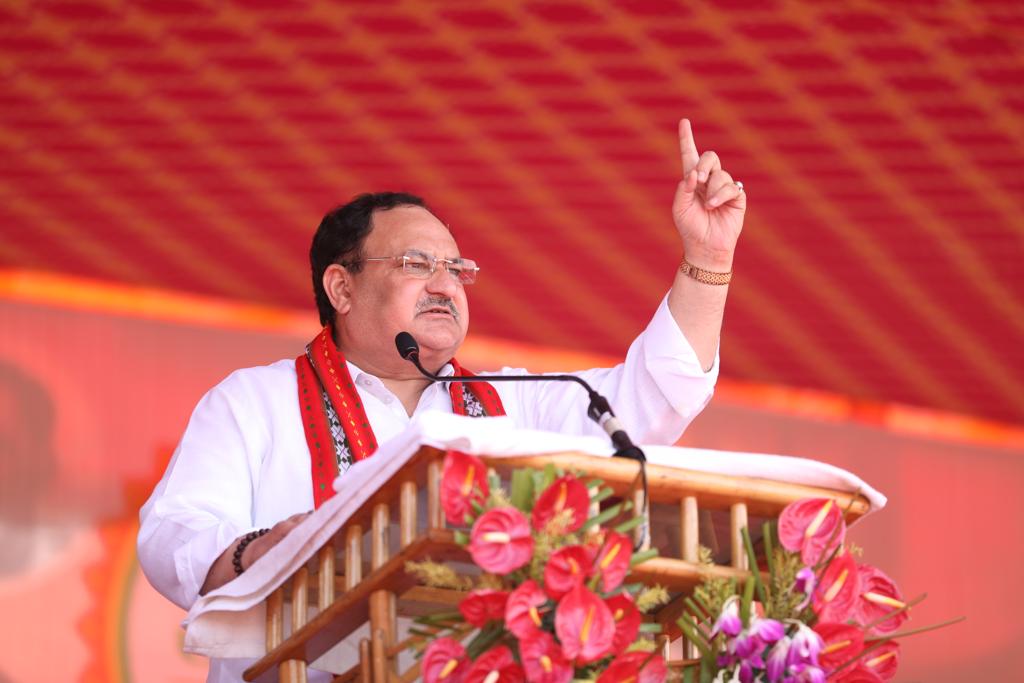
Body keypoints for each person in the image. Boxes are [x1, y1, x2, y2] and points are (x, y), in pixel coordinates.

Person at [138, 119, 745, 681]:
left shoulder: (517, 405)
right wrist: (260, 551)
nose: (444, 285)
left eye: (455, 268)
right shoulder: (254, 400)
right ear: (341, 287)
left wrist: (708, 259)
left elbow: (655, 395)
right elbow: (173, 533)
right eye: (416, 264)